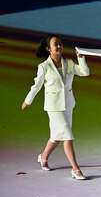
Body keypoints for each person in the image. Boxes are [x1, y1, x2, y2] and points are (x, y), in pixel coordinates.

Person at [21, 34, 90, 179]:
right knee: (67, 136)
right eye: (55, 44)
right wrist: (28, 101)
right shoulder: (44, 67)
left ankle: (43, 157)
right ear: (48, 49)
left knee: (56, 137)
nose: (59, 46)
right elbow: (36, 86)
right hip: (54, 107)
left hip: (68, 104)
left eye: (60, 44)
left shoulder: (69, 63)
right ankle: (76, 169)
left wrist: (81, 58)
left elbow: (85, 73)